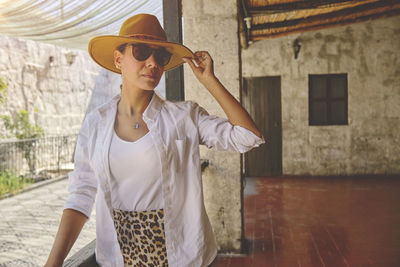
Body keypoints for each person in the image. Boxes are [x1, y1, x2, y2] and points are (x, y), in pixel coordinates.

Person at [45, 13, 264, 267]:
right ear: (119, 59)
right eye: (141, 51)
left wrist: (209, 81)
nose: (152, 62)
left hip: (181, 257)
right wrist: (53, 262)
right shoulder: (95, 124)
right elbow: (80, 197)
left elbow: (248, 137)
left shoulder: (185, 117)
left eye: (160, 56)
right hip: (117, 259)